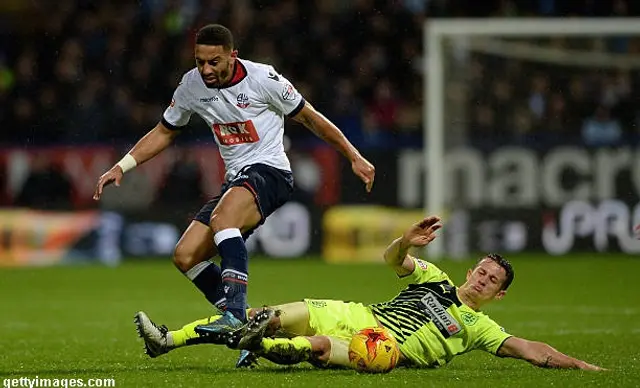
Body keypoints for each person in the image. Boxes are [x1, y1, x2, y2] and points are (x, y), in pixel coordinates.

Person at [94, 24, 375, 337]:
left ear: (233, 56)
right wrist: (123, 165)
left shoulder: (263, 79)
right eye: (200, 61)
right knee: (185, 256)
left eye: (214, 62)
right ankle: (248, 321)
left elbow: (310, 116)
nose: (205, 69)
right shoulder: (191, 85)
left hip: (271, 172)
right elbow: (164, 131)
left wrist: (353, 155)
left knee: (222, 218)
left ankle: (235, 314)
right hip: (236, 181)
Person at [134, 216, 604, 371]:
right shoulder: (435, 278)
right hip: (354, 312)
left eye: (491, 281)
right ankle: (167, 340)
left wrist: (579, 364)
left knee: (313, 349)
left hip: (382, 347)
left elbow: (528, 349)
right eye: (481, 272)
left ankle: (257, 345)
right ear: (469, 270)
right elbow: (392, 261)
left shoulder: (479, 326)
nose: (482, 280)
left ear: (498, 295)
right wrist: (405, 240)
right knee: (264, 313)